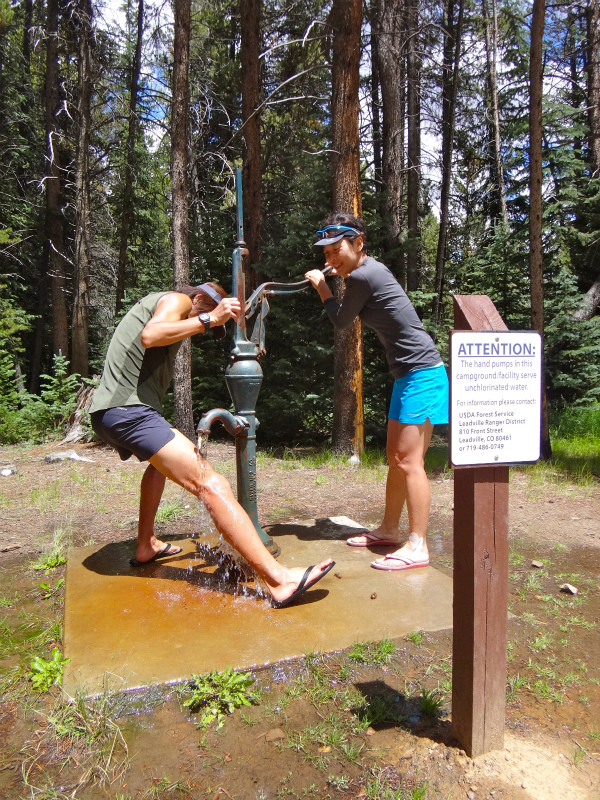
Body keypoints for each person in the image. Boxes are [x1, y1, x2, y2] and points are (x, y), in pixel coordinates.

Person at [89, 283, 334, 607]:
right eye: (207, 313)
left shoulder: (164, 306)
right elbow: (152, 334)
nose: (205, 328)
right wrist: (209, 319)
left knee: (159, 465)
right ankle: (280, 580)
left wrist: (209, 320)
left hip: (114, 411)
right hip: (128, 411)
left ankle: (146, 544)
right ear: (202, 299)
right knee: (211, 483)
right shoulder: (176, 299)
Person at [305, 214, 448, 571]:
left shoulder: (364, 276)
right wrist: (335, 276)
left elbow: (340, 321)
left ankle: (418, 545)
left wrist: (322, 286)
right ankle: (388, 528)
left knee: (409, 462)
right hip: (410, 375)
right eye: (327, 252)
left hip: (423, 375)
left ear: (359, 243)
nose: (331, 258)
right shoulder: (363, 274)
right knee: (395, 457)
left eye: (337, 250)